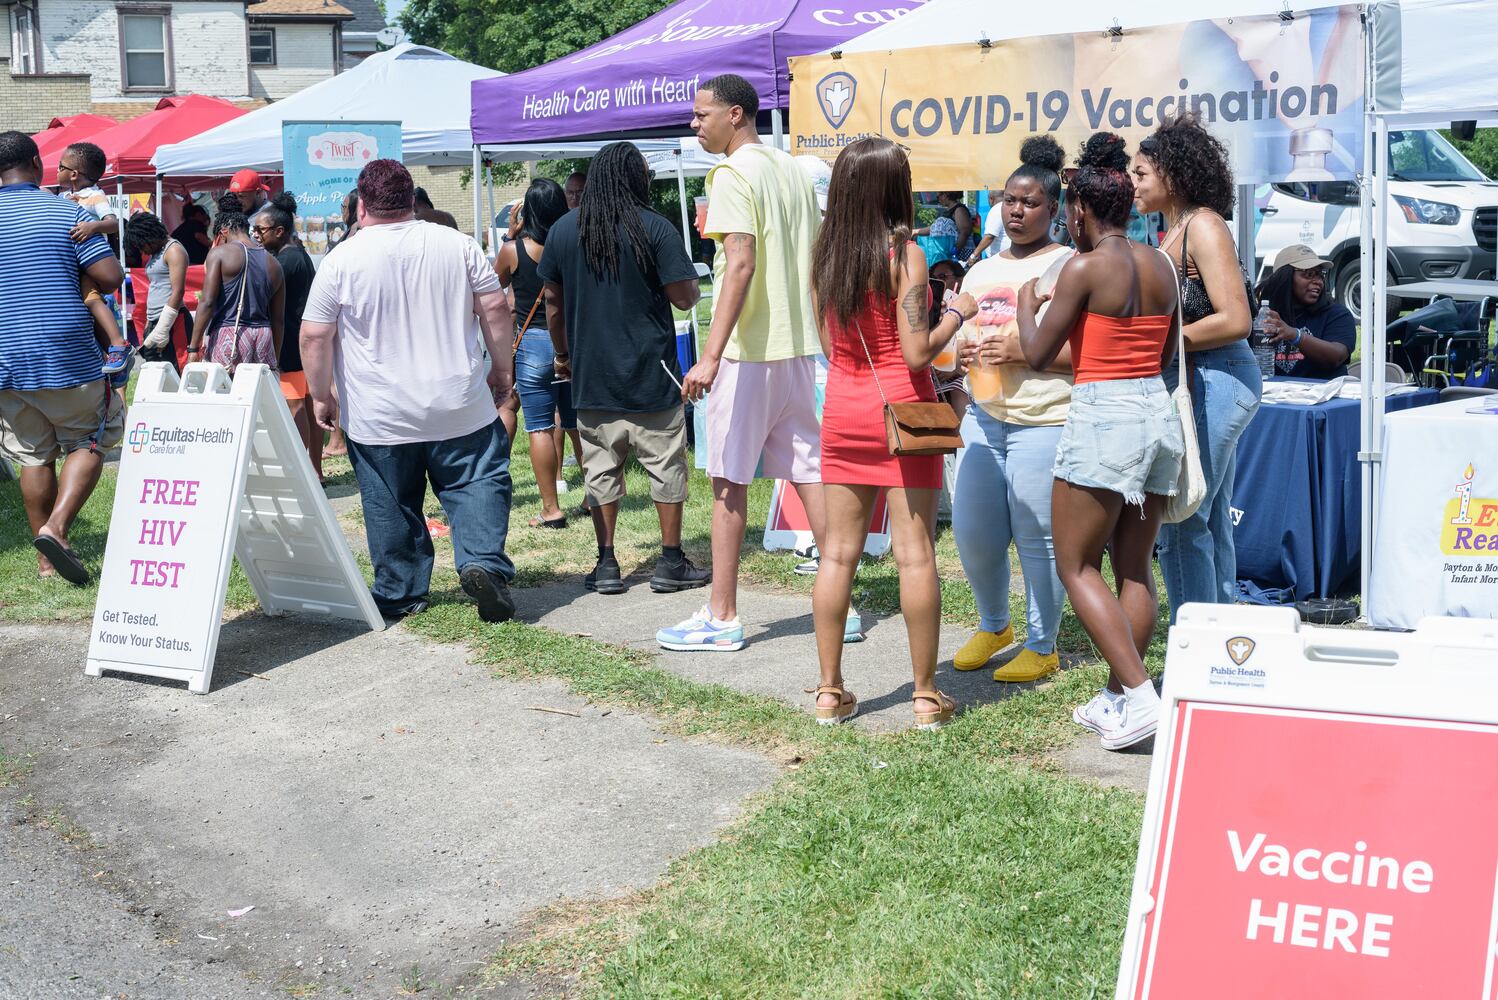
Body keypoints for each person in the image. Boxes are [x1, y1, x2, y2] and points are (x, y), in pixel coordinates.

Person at [1016, 132, 1185, 751]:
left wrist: (1025, 303)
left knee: (1075, 563)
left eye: (1068, 211)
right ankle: (1119, 698)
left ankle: (1141, 697)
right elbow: (1166, 349)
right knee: (1134, 567)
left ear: (1080, 210)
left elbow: (1036, 354)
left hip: (1102, 417)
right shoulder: (1162, 262)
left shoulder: (1084, 267)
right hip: (1153, 411)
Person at [300, 159, 519, 623]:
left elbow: (315, 335)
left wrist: (321, 395)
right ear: (412, 201)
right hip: (459, 402)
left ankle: (400, 591)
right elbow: (495, 309)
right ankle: (482, 562)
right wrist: (502, 368)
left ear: (361, 205)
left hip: (378, 412)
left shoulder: (342, 258)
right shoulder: (456, 244)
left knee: (390, 500)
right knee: (477, 481)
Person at [668, 72, 843, 651]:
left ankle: (721, 615)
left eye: (702, 115)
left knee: (728, 481)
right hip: (796, 348)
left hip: (747, 351)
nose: (695, 124)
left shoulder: (731, 173)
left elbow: (738, 264)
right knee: (808, 471)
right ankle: (836, 597)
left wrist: (709, 356)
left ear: (735, 114)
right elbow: (817, 261)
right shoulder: (793, 169)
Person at [808, 136, 978, 728]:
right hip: (902, 415)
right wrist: (957, 313)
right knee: (915, 556)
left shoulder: (824, 253)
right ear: (890, 187)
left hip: (844, 411)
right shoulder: (905, 254)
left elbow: (831, 346)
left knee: (837, 554)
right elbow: (914, 353)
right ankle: (926, 696)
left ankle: (830, 691)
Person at [539, 142, 710, 597]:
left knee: (600, 469)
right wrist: (690, 283)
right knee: (665, 465)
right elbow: (684, 297)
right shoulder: (655, 227)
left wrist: (563, 354)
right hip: (651, 370)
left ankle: (607, 562)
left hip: (591, 370)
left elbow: (552, 304)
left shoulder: (562, 230)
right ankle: (670, 560)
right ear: (637, 180)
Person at [951, 135, 1075, 681]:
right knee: (973, 532)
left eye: (1029, 202)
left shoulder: (1069, 265)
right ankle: (993, 623)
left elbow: (1086, 352)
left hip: (1045, 419)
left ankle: (1043, 643)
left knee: (1037, 536)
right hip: (983, 415)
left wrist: (1022, 351)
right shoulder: (980, 270)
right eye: (1009, 200)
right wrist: (961, 350)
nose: (1017, 211)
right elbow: (949, 346)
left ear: (1055, 208)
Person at [1132, 114, 1259, 618]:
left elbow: (1236, 319)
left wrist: (1164, 341)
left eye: (1142, 173)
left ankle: (1194, 649)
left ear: (1172, 173)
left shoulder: (1203, 225)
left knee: (1182, 517)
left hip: (1218, 377)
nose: (1134, 183)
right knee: (1208, 521)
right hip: (1203, 377)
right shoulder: (1175, 229)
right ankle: (1219, 643)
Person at [0, 131, 125, 585]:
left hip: (6, 360)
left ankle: (46, 562)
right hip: (66, 353)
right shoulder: (68, 213)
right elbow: (109, 278)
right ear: (36, 163)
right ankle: (57, 528)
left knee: (32, 457)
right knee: (88, 440)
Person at [494, 178, 574, 528]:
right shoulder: (575, 243)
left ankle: (551, 509)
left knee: (539, 427)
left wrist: (511, 236)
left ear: (527, 211)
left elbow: (492, 285)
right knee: (581, 425)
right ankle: (593, 496)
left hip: (533, 345)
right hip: (574, 343)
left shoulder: (513, 251)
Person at [252, 197, 321, 476]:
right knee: (307, 403)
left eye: (261, 230)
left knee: (295, 405)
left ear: (279, 231)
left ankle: (299, 472)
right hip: (302, 337)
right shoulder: (298, 253)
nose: (256, 235)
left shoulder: (284, 261)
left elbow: (262, 295)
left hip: (291, 341)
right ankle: (315, 470)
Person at [55, 142, 131, 376]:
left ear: (74, 174)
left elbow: (113, 223)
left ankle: (119, 343)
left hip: (90, 264)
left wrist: (92, 226)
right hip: (73, 263)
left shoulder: (95, 195)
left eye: (60, 166)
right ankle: (107, 356)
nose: (57, 171)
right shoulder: (65, 196)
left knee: (91, 301)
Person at [186, 207, 284, 375]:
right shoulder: (274, 263)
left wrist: (194, 347)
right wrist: (274, 357)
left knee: (225, 395)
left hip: (230, 334)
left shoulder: (219, 254)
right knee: (257, 397)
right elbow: (278, 319)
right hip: (264, 335)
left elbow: (207, 302)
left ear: (223, 232)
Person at [1255, 244, 1355, 379]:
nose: (1318, 281)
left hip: (1326, 398)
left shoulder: (1337, 314)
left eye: (1320, 275)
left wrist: (1295, 335)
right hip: (1274, 396)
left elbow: (1336, 357)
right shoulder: (1263, 317)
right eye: (1309, 275)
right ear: (1285, 278)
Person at [124, 212, 190, 371]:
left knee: (175, 372)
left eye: (143, 245)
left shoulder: (173, 250)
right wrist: (149, 323)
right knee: (155, 373)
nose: (144, 251)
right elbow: (156, 288)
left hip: (173, 322)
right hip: (155, 320)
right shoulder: (157, 252)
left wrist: (163, 328)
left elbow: (178, 291)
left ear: (150, 235)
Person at [966, 190, 1009, 265]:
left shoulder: (996, 209)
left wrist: (973, 256)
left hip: (999, 260)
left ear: (991, 199)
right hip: (1007, 256)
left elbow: (989, 236)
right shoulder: (1008, 207)